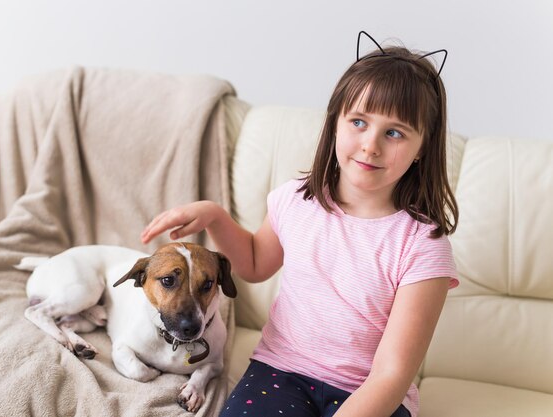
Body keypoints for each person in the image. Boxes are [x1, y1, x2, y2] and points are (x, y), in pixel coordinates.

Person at [140, 31, 459, 417]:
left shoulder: (423, 243)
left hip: (371, 393)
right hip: (281, 371)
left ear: (423, 146)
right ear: (335, 123)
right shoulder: (297, 199)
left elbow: (391, 374)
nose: (371, 145)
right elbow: (255, 264)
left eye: (394, 133)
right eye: (358, 122)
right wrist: (215, 216)